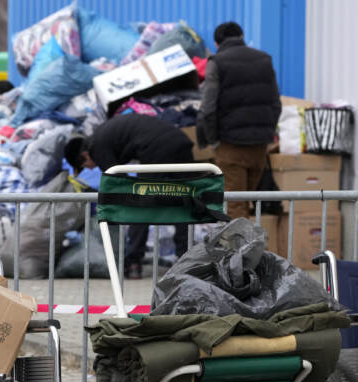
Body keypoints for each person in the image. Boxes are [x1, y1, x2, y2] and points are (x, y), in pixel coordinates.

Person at [64, 113, 194, 279]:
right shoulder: (102, 136)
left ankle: (133, 262)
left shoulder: (96, 147)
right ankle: (186, 258)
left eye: (84, 166)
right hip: (180, 141)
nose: (89, 169)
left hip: (156, 147)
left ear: (84, 155)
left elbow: (118, 182)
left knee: (140, 205)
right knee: (185, 200)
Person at [197, 22, 281, 218]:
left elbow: (208, 108)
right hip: (260, 146)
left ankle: (240, 249)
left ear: (217, 43)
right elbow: (276, 104)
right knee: (250, 205)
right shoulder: (264, 60)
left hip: (230, 145)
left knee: (234, 207)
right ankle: (251, 246)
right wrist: (267, 133)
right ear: (241, 36)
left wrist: (213, 139)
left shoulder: (216, 62)